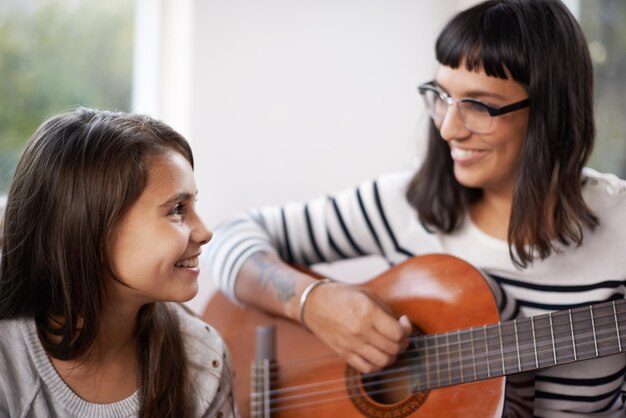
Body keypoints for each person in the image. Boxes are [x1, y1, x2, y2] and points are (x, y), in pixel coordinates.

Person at [207, 0, 626, 416]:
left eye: (479, 105)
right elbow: (228, 237)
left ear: (551, 109)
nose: (447, 127)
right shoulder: (401, 204)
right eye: (442, 97)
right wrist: (311, 302)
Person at [0, 108, 238, 417]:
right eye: (177, 209)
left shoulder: (202, 358)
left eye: (193, 204)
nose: (205, 232)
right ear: (90, 227)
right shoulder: (8, 359)